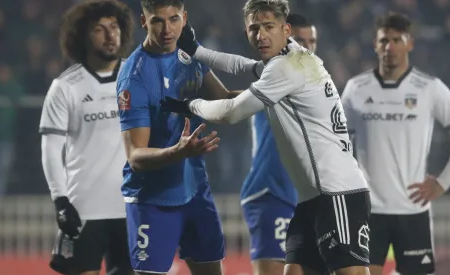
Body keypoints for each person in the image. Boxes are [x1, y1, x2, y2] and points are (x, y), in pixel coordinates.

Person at [161, 0, 372, 274]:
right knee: (293, 270)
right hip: (312, 199)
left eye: (268, 27)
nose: (261, 35)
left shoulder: (286, 68)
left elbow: (232, 112)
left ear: (286, 30)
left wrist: (190, 105)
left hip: (337, 193)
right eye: (254, 28)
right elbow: (241, 66)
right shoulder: (293, 59)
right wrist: (197, 51)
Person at [340, 12, 450, 275]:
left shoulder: (429, 88)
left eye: (396, 40)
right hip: (368, 212)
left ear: (409, 43)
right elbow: (336, 142)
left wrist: (443, 182)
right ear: (375, 44)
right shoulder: (356, 88)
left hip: (412, 210)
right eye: (383, 41)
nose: (389, 47)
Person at [116, 0, 240, 274]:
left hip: (195, 190)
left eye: (173, 19)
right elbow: (136, 156)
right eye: (157, 21)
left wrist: (273, 93)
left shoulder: (190, 54)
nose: (166, 29)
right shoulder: (134, 77)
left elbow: (225, 101)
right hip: (152, 199)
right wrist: (178, 151)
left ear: (184, 18)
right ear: (143, 22)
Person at [39, 1, 135, 275]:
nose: (109, 35)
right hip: (84, 211)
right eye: (99, 29)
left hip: (132, 210)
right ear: (82, 35)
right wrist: (60, 201)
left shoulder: (138, 77)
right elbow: (51, 147)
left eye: (114, 27)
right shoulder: (65, 87)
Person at [240, 13, 318, 275]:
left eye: (312, 41)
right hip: (272, 193)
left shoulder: (318, 86)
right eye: (299, 40)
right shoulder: (273, 76)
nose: (306, 47)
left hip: (305, 199)